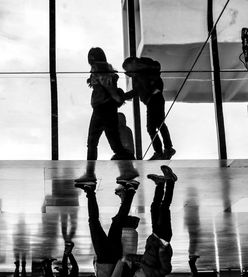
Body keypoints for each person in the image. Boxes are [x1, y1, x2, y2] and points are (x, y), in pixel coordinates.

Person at [76, 48, 135, 183]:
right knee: (113, 144)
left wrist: (116, 97)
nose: (90, 61)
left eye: (91, 58)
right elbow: (109, 86)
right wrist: (116, 99)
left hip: (102, 109)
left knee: (95, 142)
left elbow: (107, 86)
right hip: (105, 109)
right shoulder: (104, 68)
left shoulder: (99, 69)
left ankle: (91, 174)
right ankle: (128, 169)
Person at [75, 178, 140, 277]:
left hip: (110, 257)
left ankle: (131, 189)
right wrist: (122, 261)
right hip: (106, 257)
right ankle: (90, 189)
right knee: (94, 222)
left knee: (117, 221)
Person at [124, 165, 177, 277]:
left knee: (154, 207)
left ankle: (160, 183)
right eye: (135, 276)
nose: (135, 275)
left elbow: (143, 258)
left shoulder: (146, 267)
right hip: (163, 238)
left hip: (155, 236)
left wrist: (128, 257)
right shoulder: (153, 274)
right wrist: (163, 249)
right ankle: (170, 181)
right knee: (164, 207)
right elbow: (166, 269)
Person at [122, 57, 176, 160]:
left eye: (127, 68)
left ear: (132, 62)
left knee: (153, 126)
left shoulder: (143, 67)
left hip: (154, 98)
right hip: (153, 99)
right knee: (158, 124)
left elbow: (156, 67)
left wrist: (137, 73)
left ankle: (161, 151)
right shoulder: (138, 75)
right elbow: (137, 91)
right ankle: (165, 150)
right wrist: (123, 97)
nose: (127, 71)